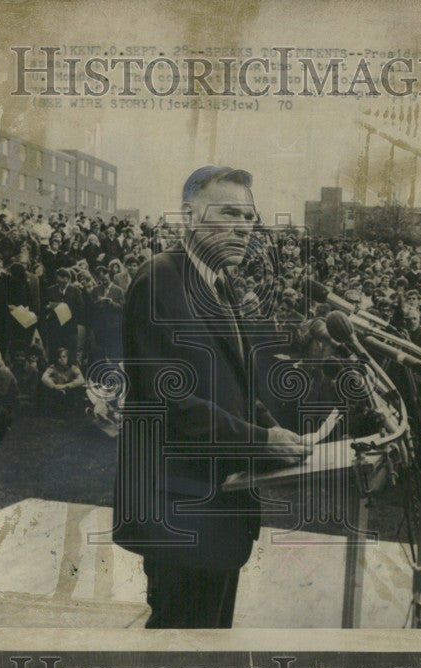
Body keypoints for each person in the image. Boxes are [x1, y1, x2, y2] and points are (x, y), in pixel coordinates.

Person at [113, 166, 308, 629]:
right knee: (180, 655)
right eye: (230, 213)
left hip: (214, 508)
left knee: (208, 644)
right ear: (189, 216)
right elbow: (175, 404)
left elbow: (231, 386)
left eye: (249, 216)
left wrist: (268, 423)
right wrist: (262, 441)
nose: (244, 227)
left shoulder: (220, 285)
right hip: (180, 513)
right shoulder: (161, 281)